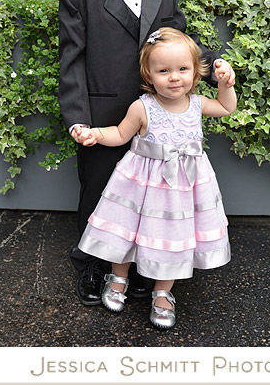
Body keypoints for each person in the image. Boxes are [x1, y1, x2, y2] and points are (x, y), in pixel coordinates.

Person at [57, 0, 235, 307]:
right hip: (103, 114)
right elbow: (71, 66)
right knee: (101, 191)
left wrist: (216, 67)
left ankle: (143, 267)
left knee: (150, 197)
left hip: (158, 117)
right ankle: (92, 264)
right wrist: (78, 120)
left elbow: (183, 47)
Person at [76, 27, 236, 329]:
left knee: (172, 239)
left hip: (182, 187)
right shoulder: (143, 107)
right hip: (141, 182)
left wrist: (226, 83)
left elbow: (228, 107)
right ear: (149, 76)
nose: (174, 77)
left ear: (196, 72)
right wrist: (95, 134)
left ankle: (163, 293)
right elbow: (121, 134)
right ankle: (118, 277)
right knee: (126, 230)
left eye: (182, 69)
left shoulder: (199, 104)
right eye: (163, 71)